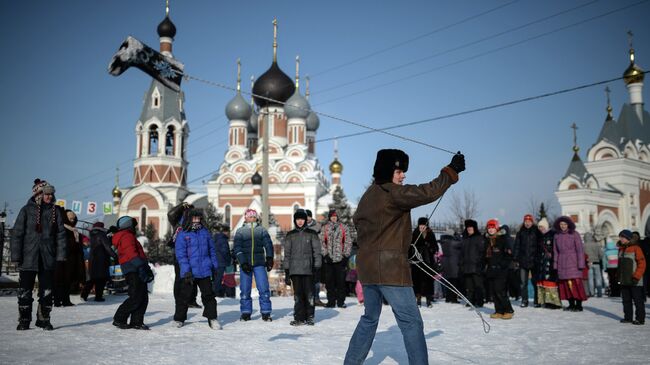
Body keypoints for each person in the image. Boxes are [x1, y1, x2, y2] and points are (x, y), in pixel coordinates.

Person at [344, 149, 464, 365]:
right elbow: (428, 192)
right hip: (390, 270)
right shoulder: (393, 193)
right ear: (387, 171)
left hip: (368, 269)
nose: (403, 176)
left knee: (369, 319)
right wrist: (451, 171)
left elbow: (367, 228)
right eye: (399, 171)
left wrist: (400, 246)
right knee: (412, 323)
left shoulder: (368, 195)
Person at [11, 179, 66, 330]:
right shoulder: (26, 210)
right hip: (28, 257)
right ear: (39, 194)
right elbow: (17, 234)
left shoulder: (55, 211)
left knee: (47, 291)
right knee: (24, 292)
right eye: (46, 194)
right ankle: (24, 320)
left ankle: (44, 319)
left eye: (51, 194)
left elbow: (61, 235)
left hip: (47, 258)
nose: (50, 196)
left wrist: (60, 255)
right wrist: (16, 256)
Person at [174, 209, 221, 329]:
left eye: (199, 218)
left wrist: (215, 266)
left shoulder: (205, 232)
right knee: (184, 296)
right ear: (189, 219)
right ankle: (179, 319)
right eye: (195, 218)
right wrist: (186, 271)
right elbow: (181, 255)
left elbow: (212, 251)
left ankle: (212, 318)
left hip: (205, 269)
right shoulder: (183, 234)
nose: (197, 220)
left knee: (209, 295)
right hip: (190, 271)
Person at [111, 216, 153, 330]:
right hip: (133, 269)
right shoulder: (126, 236)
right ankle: (119, 318)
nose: (135, 227)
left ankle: (136, 321)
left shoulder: (128, 236)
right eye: (133, 225)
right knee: (136, 297)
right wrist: (141, 267)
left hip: (136, 267)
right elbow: (131, 253)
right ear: (128, 225)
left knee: (143, 297)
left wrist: (145, 267)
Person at [233, 208, 274, 321]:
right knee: (245, 289)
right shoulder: (240, 231)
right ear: (245, 217)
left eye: (253, 217)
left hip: (259, 263)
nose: (252, 218)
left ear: (256, 218)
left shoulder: (261, 230)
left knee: (263, 288)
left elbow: (268, 244)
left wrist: (269, 258)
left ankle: (266, 312)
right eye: (249, 216)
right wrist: (243, 262)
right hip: (245, 264)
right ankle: (246, 312)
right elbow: (237, 248)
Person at [283, 209, 322, 326]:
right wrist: (287, 271)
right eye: (298, 219)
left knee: (309, 294)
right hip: (295, 270)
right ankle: (299, 317)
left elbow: (317, 252)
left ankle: (310, 316)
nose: (300, 221)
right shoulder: (290, 235)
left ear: (305, 220)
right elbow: (287, 254)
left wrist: (317, 267)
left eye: (302, 219)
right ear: (295, 220)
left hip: (308, 270)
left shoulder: (312, 233)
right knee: (298, 295)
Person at [167, 202, 201, 308]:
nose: (189, 213)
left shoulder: (195, 224)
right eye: (187, 211)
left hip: (193, 254)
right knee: (180, 277)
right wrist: (182, 205)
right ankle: (179, 300)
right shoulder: (177, 222)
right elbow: (170, 214)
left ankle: (191, 300)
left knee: (193, 277)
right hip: (180, 254)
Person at [553, 216, 587, 312]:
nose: (563, 226)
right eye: (561, 224)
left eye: (565, 224)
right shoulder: (557, 236)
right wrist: (555, 264)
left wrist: (581, 264)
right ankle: (571, 304)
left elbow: (580, 250)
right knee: (565, 285)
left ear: (568, 225)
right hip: (562, 262)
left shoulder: (574, 234)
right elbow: (555, 251)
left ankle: (579, 304)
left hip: (573, 262)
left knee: (576, 284)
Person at [321, 209, 353, 308]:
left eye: (335, 216)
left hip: (340, 259)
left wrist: (345, 256)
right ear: (329, 217)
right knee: (329, 282)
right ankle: (331, 301)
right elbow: (321, 242)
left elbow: (348, 242)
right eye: (332, 216)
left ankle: (341, 301)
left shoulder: (344, 228)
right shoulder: (325, 228)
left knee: (340, 282)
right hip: (329, 260)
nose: (334, 218)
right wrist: (325, 255)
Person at [53, 210, 85, 307]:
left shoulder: (74, 231)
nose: (72, 220)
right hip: (62, 258)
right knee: (60, 280)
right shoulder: (61, 229)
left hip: (72, 259)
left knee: (68, 280)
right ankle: (57, 300)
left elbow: (77, 245)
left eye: (73, 218)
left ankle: (66, 300)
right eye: (70, 218)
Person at [485, 219, 515, 320]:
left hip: (501, 271)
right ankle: (498, 310)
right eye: (489, 228)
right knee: (494, 291)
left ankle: (508, 310)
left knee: (500, 291)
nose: (491, 230)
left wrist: (502, 265)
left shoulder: (502, 239)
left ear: (496, 228)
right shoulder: (487, 240)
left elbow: (509, 255)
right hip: (491, 270)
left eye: (493, 227)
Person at [81, 222, 118, 302]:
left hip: (93, 259)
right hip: (101, 259)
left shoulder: (91, 234)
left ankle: (84, 294)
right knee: (101, 279)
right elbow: (107, 247)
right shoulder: (102, 235)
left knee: (93, 278)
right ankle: (98, 297)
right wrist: (114, 256)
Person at [618, 230, 646, 325]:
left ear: (628, 238)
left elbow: (642, 264)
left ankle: (640, 318)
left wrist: (636, 276)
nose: (621, 239)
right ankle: (628, 317)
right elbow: (620, 265)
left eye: (622, 237)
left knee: (638, 300)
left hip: (635, 280)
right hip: (624, 280)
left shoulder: (636, 248)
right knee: (626, 300)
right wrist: (618, 276)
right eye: (620, 237)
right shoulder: (621, 249)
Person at [513, 214, 541, 308]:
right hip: (523, 261)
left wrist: (538, 257)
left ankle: (537, 301)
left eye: (529, 221)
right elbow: (516, 246)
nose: (527, 223)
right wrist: (516, 258)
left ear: (532, 222)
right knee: (523, 282)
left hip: (534, 261)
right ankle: (524, 300)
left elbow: (540, 246)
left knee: (535, 282)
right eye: (526, 221)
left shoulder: (537, 231)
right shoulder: (520, 232)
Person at [409, 217, 438, 308]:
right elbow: (410, 247)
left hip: (428, 262)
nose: (422, 228)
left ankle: (429, 300)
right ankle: (418, 299)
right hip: (417, 263)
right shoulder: (415, 234)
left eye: (423, 226)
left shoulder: (431, 234)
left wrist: (430, 247)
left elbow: (435, 247)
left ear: (426, 226)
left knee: (428, 281)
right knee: (417, 281)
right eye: (420, 226)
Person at [535, 218, 561, 309]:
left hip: (550, 261)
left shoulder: (553, 234)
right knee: (544, 281)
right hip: (542, 261)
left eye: (542, 226)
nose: (540, 228)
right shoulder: (540, 236)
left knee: (551, 281)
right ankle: (546, 301)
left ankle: (554, 303)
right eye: (539, 227)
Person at [460, 219, 485, 308]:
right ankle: (470, 301)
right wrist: (462, 264)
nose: (469, 229)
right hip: (467, 266)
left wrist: (480, 263)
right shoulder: (464, 239)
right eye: (468, 227)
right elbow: (462, 253)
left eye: (471, 227)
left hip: (476, 266)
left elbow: (482, 252)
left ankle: (480, 301)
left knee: (478, 285)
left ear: (474, 228)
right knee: (469, 286)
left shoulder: (479, 238)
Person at [440, 231, 462, 304]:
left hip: (446, 264)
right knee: (454, 282)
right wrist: (458, 236)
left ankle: (448, 298)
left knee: (448, 282)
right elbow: (462, 243)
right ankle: (453, 298)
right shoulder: (453, 242)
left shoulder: (443, 242)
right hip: (453, 264)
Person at [212, 224, 232, 297]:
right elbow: (225, 251)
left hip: (215, 262)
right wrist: (229, 260)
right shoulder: (223, 239)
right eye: (228, 232)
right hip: (221, 262)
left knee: (215, 279)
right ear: (225, 232)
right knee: (218, 280)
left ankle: (213, 293)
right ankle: (214, 294)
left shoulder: (215, 238)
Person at [583, 232, 604, 297]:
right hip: (596, 262)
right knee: (598, 278)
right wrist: (598, 258)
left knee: (590, 278)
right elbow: (601, 254)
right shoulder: (596, 245)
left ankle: (592, 292)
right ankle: (599, 292)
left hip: (588, 263)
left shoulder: (583, 245)